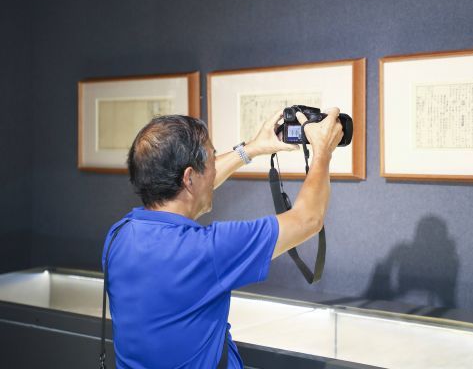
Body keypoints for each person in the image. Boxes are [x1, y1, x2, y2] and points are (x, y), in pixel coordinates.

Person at [101, 108, 343, 369]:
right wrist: (323, 151)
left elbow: (188, 192)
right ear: (189, 177)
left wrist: (252, 149)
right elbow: (308, 219)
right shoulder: (207, 250)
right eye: (212, 158)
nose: (215, 166)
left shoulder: (118, 236)